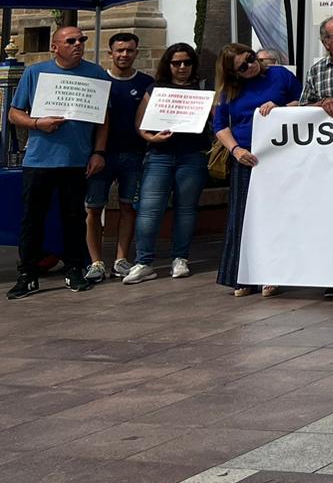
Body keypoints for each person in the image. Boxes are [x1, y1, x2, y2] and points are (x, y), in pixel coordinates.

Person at [6, 26, 110, 299]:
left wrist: (99, 152)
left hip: (76, 161)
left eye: (81, 40)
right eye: (71, 41)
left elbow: (103, 119)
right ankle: (27, 274)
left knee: (74, 218)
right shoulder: (35, 72)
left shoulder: (96, 74)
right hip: (40, 160)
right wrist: (37, 123)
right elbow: (14, 114)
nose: (78, 44)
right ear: (55, 47)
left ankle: (75, 268)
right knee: (32, 220)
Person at [212, 43, 301, 297]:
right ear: (233, 73)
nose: (250, 65)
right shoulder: (228, 91)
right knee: (241, 215)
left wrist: (282, 108)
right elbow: (219, 125)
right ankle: (240, 275)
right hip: (248, 156)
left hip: (281, 153)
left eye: (251, 59)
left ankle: (272, 274)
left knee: (275, 214)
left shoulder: (279, 74)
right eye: (242, 66)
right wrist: (235, 150)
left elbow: (304, 100)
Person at [124, 43, 212, 284]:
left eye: (187, 62)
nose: (182, 67)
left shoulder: (203, 89)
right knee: (149, 209)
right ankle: (144, 261)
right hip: (159, 155)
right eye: (176, 63)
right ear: (168, 65)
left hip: (192, 155)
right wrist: (151, 137)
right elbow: (140, 124)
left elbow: (217, 118)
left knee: (186, 209)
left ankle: (180, 258)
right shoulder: (155, 89)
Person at [84, 31, 152, 282]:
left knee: (127, 207)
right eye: (120, 50)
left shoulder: (146, 82)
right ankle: (96, 262)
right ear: (110, 52)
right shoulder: (98, 80)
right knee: (93, 208)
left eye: (130, 50)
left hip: (134, 155)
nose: (124, 55)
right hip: (100, 156)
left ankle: (121, 259)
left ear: (136, 52)